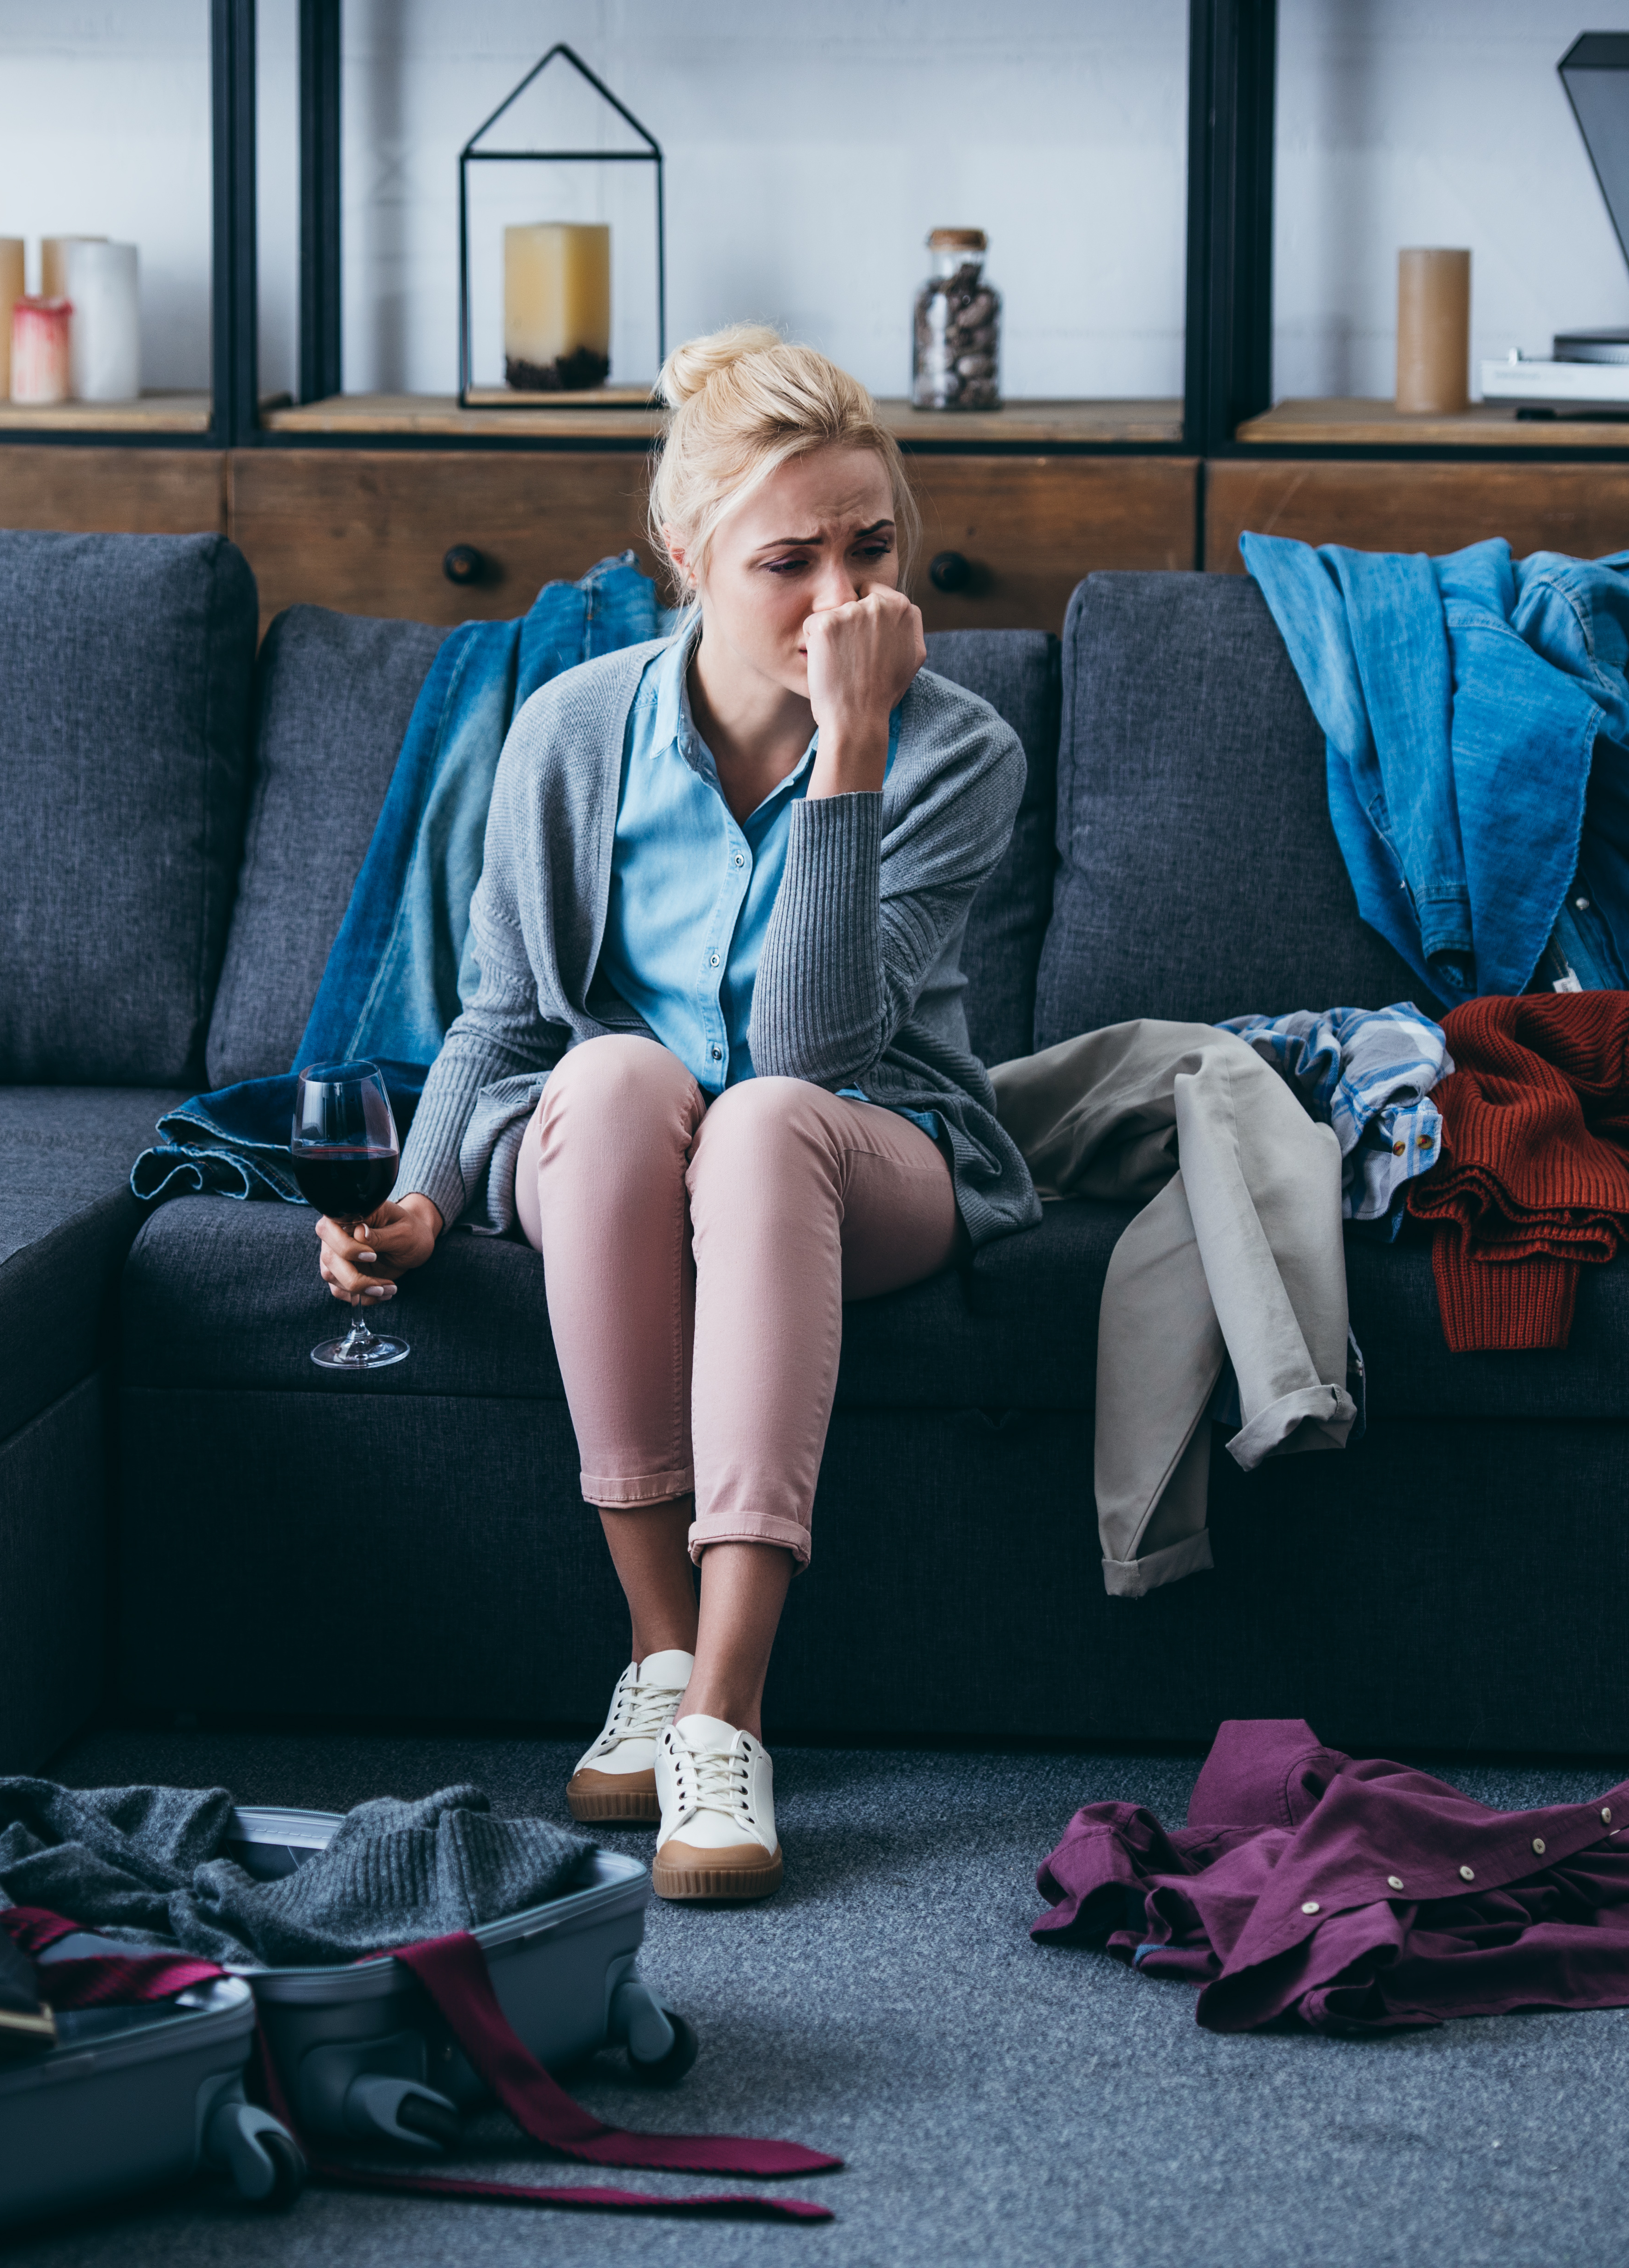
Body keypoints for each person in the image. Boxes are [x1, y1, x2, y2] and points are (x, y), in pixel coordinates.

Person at [313, 326, 1039, 1901]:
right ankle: (653, 1648)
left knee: (769, 1116)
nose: (845, 599)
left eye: (874, 549)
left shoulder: (958, 747)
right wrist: (424, 1199)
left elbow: (816, 1045)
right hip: (622, 1154)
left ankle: (723, 1716)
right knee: (614, 1070)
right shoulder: (573, 730)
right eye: (791, 558)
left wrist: (851, 753)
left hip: (869, 1151)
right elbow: (501, 1014)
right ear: (684, 550)